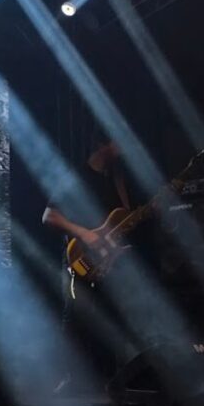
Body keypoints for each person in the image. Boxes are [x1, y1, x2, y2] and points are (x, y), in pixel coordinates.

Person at [42, 140, 143, 393]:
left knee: (115, 318)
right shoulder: (75, 177)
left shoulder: (117, 180)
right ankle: (70, 378)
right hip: (80, 259)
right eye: (117, 144)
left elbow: (118, 223)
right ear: (102, 145)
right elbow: (49, 216)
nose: (122, 149)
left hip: (109, 262)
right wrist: (84, 233)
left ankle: (114, 381)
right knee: (76, 317)